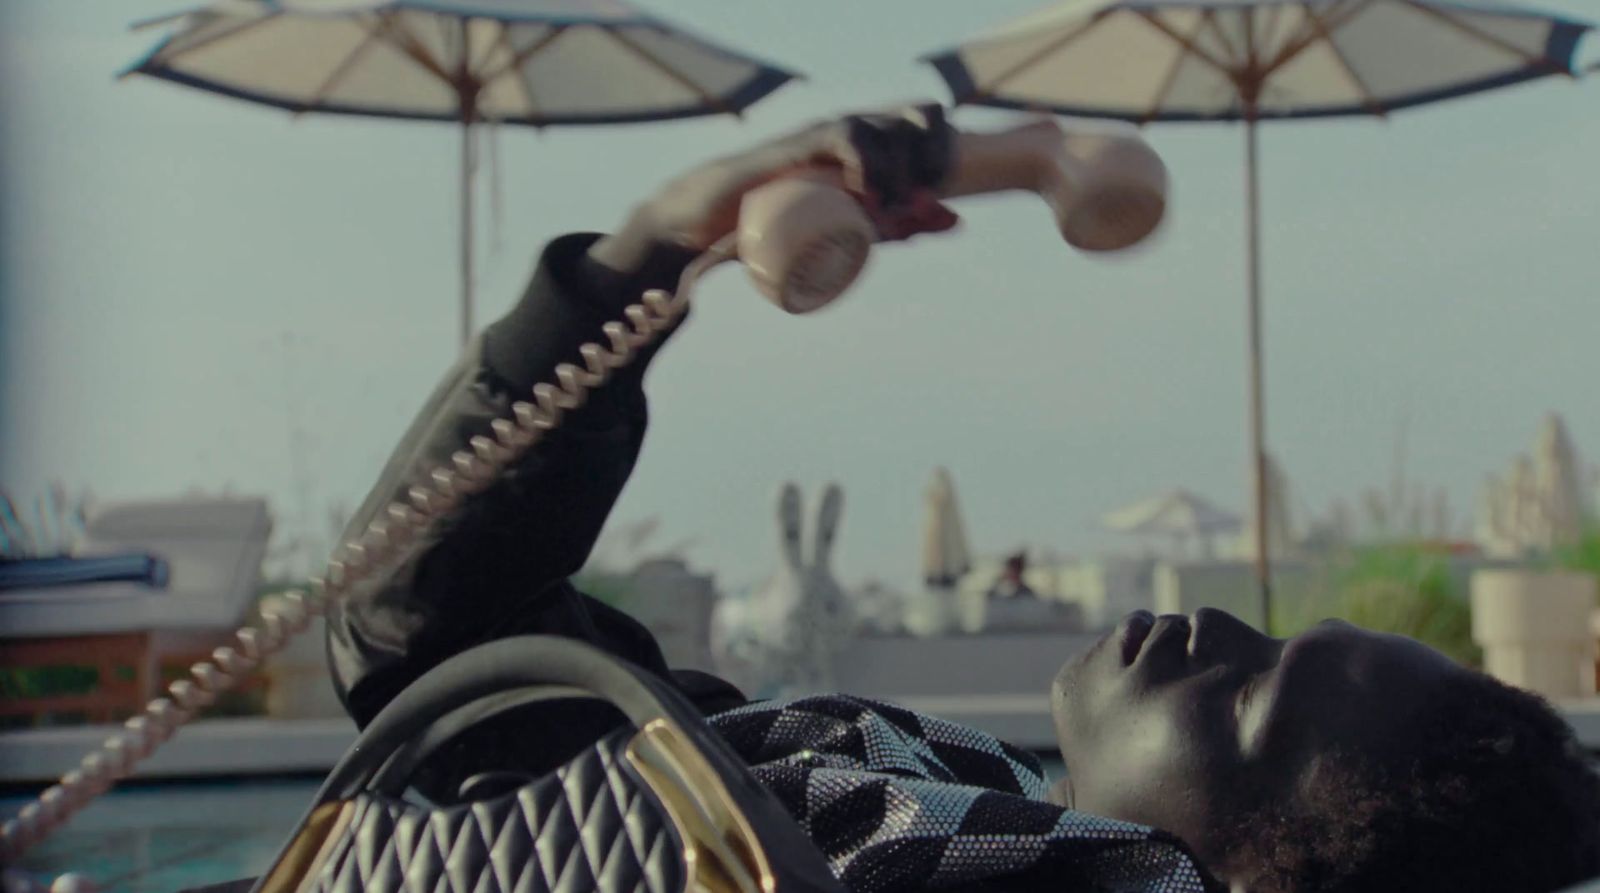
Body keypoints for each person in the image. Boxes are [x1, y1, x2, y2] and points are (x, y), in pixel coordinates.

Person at [326, 105, 1600, 892]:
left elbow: (416, 636)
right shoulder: (876, 804)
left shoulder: (813, 846)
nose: (1211, 622)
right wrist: (655, 243)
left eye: (1259, 689)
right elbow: (446, 642)